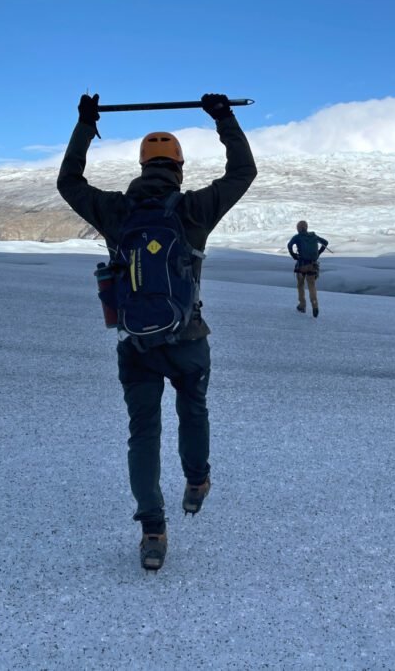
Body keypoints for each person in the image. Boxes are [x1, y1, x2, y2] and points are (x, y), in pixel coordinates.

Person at [57, 92, 256, 571]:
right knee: (194, 409)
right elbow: (242, 172)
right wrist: (223, 117)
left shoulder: (115, 211)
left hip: (136, 344)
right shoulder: (194, 210)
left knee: (143, 433)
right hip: (188, 338)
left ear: (141, 165)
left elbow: (68, 181)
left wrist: (86, 123)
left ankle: (152, 532)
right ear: (179, 168)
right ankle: (196, 481)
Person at [287, 220, 328, 317]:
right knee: (312, 286)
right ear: (306, 227)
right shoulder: (313, 236)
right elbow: (325, 242)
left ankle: (302, 305)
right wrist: (318, 253)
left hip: (301, 265)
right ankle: (315, 305)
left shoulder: (297, 237)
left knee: (300, 285)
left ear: (299, 228)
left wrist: (293, 255)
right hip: (312, 265)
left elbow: (289, 245)